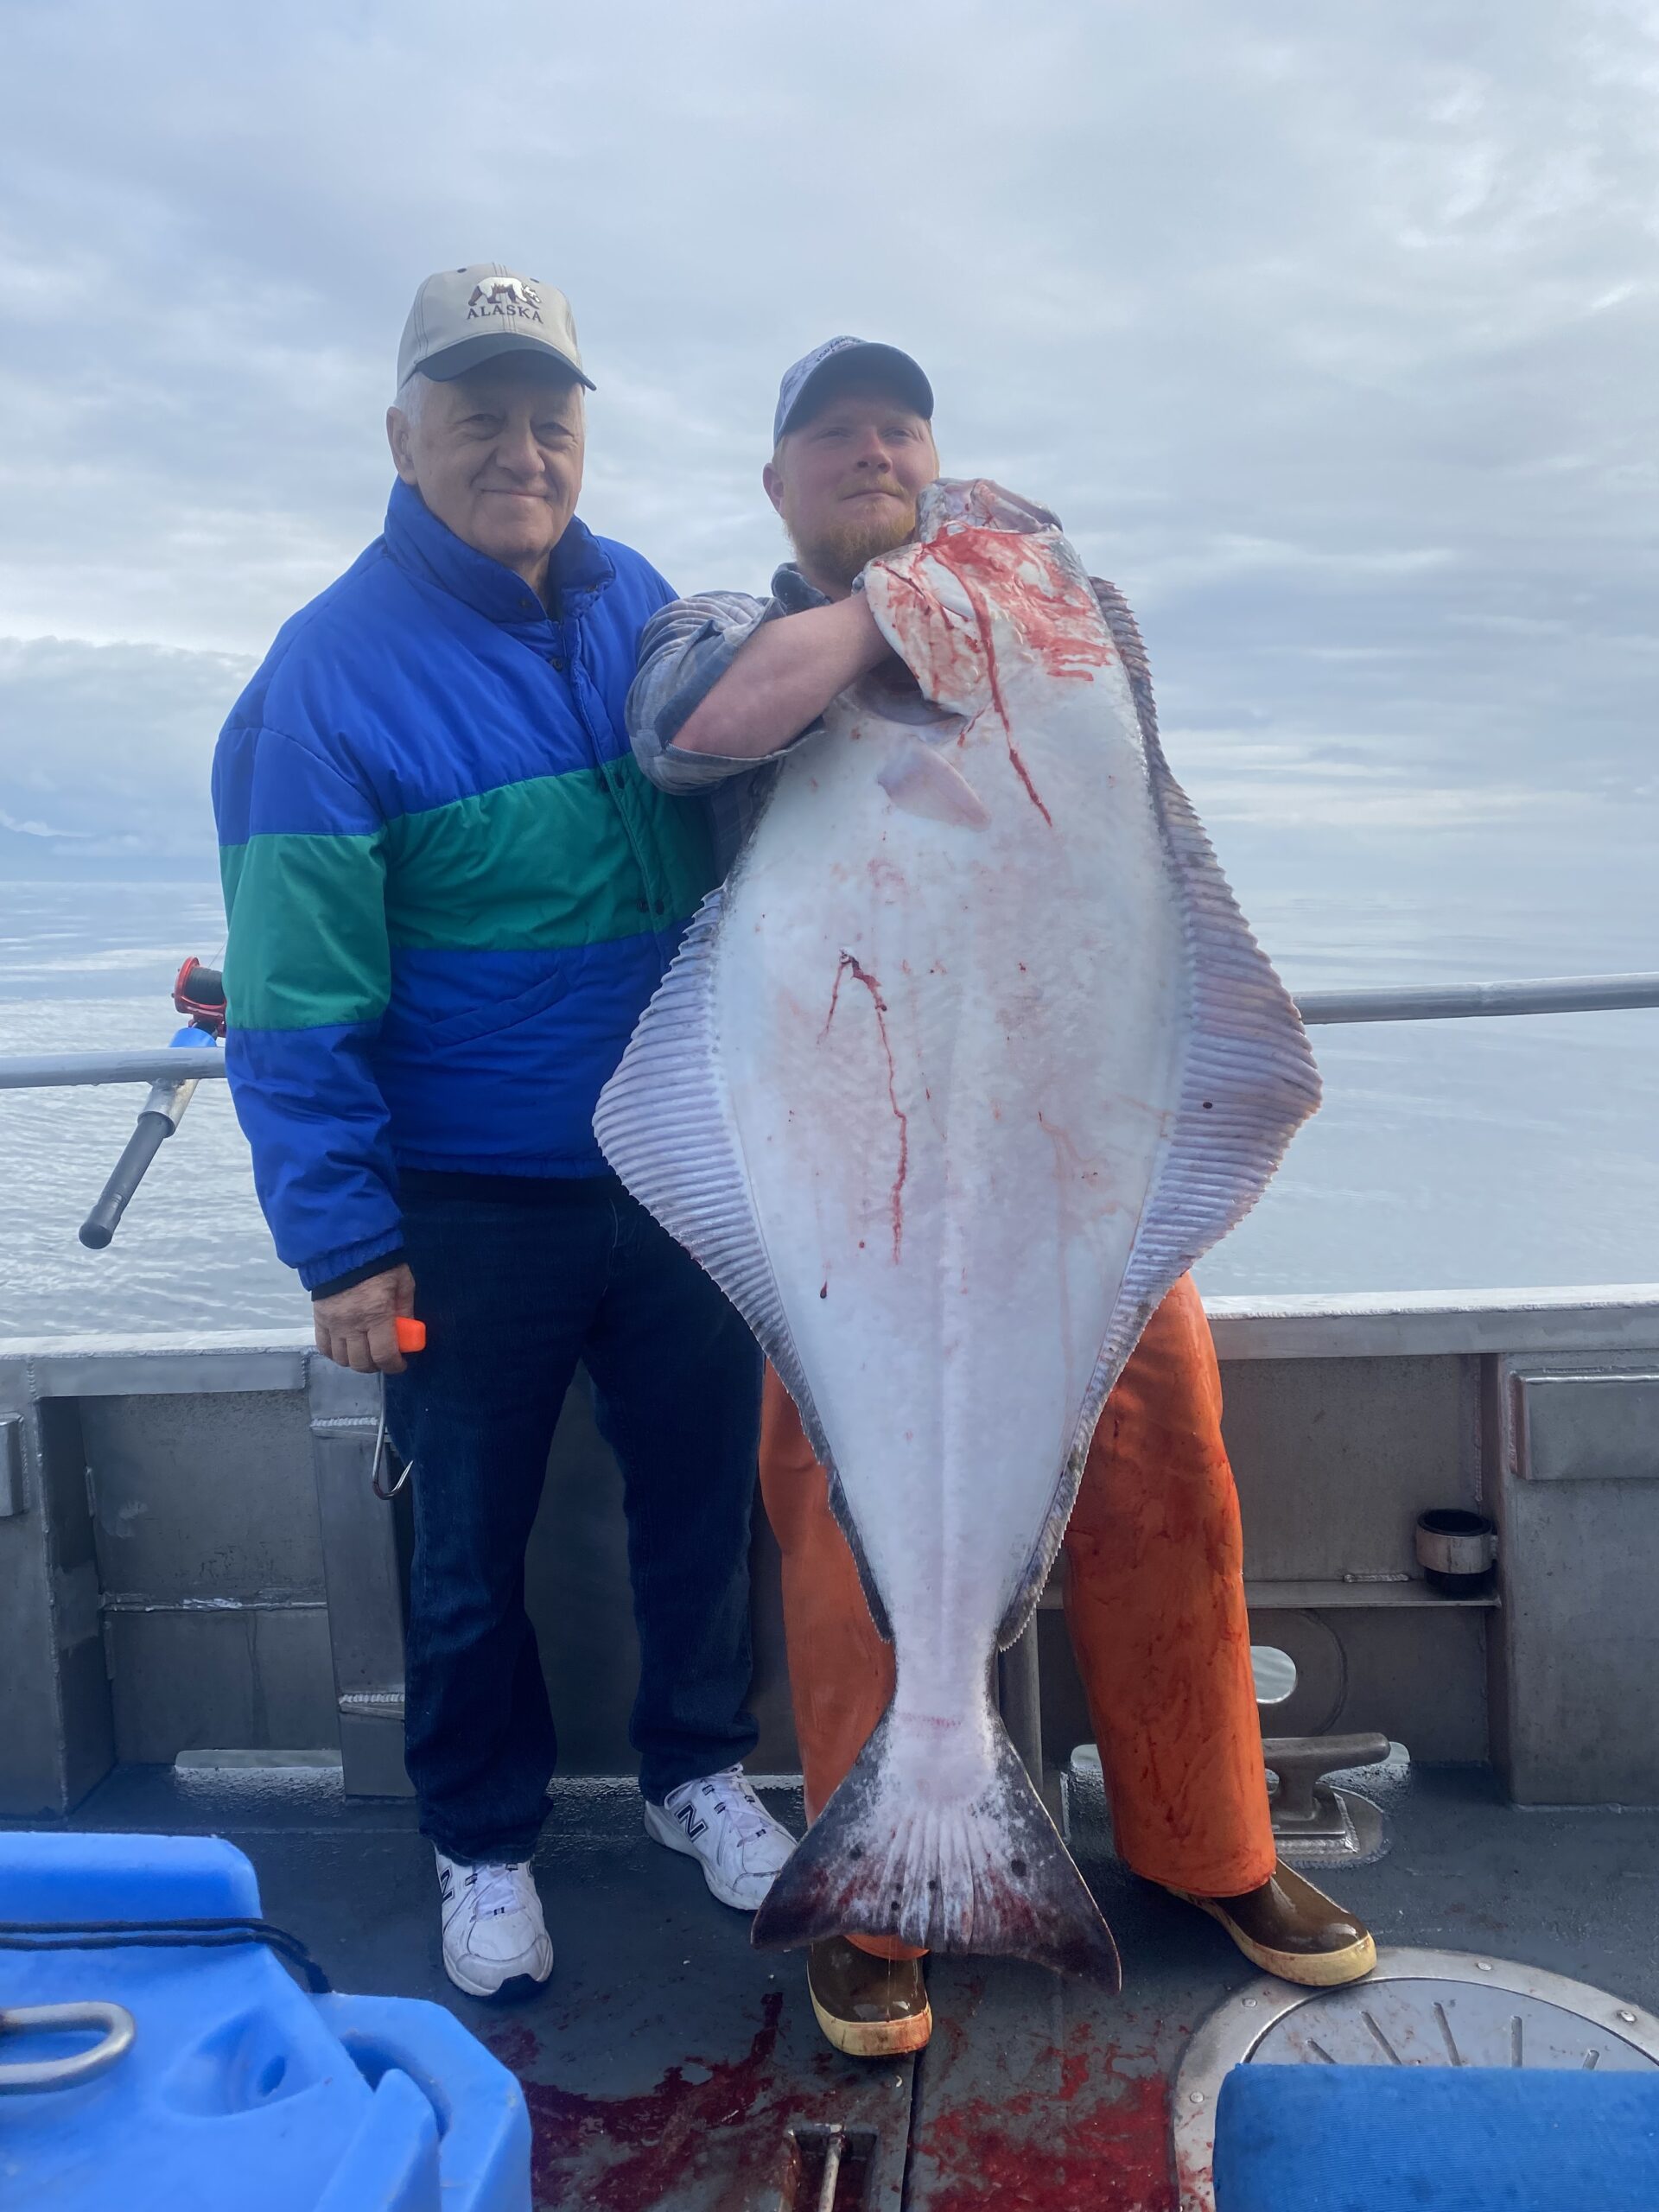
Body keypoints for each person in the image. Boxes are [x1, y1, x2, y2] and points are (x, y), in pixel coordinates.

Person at [627, 336, 1376, 2056]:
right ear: (777, 483)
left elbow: (1143, 841)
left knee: (1169, 1480)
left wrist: (995, 604)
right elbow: (704, 732)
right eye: (833, 434)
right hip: (846, 1209)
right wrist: (920, 602)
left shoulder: (1062, 628)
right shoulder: (713, 631)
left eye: (903, 427)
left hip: (1069, 1168)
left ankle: (1210, 1847)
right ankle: (884, 1886)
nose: (873, 449)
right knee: (840, 1531)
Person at [211, 264, 793, 2002]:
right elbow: (292, 993)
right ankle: (480, 1838)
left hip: (684, 1176)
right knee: (465, 1544)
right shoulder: (326, 678)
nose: (519, 448)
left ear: (586, 436)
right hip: (467, 1203)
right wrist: (340, 1237)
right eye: (478, 415)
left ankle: (702, 1770)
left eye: (549, 416)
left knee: (703, 1507)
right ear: (403, 435)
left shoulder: (657, 621)